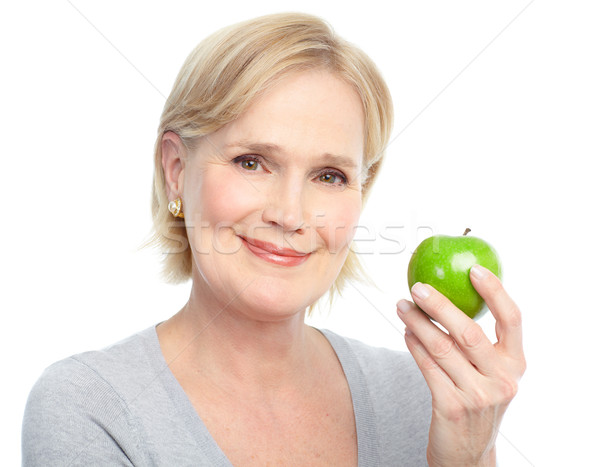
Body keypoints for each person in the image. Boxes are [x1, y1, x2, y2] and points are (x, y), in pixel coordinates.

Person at [22, 12, 525, 466]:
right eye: (252, 162)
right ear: (176, 170)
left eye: (328, 176)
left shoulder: (431, 401)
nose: (289, 214)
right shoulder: (91, 407)